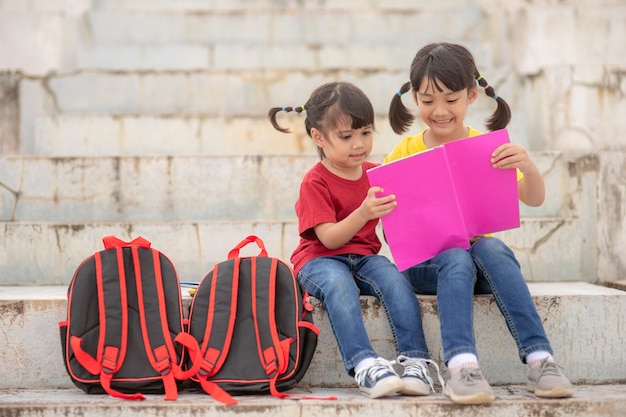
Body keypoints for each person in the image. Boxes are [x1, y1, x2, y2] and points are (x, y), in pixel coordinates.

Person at [385, 42, 573, 405]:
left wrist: (528, 166)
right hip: (427, 266)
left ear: (472, 95)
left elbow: (533, 198)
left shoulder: (486, 149)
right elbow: (393, 227)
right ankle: (462, 368)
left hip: (479, 263)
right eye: (427, 100)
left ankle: (541, 360)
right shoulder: (404, 152)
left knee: (492, 247)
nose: (439, 111)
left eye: (451, 99)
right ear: (414, 100)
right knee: (456, 255)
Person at [268, 81, 442, 399]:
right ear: (318, 137)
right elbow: (329, 238)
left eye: (365, 132)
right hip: (319, 260)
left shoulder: (376, 173)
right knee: (339, 285)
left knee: (394, 279)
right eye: (346, 137)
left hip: (364, 257)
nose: (359, 144)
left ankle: (417, 360)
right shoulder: (315, 181)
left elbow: (398, 225)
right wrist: (363, 212)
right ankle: (364, 364)